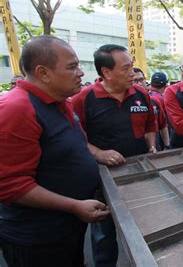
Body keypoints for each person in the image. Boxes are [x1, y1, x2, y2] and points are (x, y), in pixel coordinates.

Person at [0, 35, 110, 267]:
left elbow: (74, 147)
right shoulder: (17, 109)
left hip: (66, 230)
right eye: (72, 67)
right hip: (37, 240)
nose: (81, 73)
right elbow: (11, 186)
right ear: (43, 73)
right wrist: (74, 205)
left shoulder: (63, 102)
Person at [72, 44, 157, 267]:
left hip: (140, 173)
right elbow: (74, 138)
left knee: (147, 223)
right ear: (106, 72)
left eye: (132, 67)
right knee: (104, 234)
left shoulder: (141, 94)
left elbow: (150, 124)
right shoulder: (83, 98)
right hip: (102, 178)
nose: (133, 74)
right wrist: (99, 153)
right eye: (126, 68)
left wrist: (151, 144)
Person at [149, 72, 171, 150]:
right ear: (165, 86)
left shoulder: (143, 96)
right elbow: (164, 124)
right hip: (158, 137)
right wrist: (167, 145)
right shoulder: (163, 99)